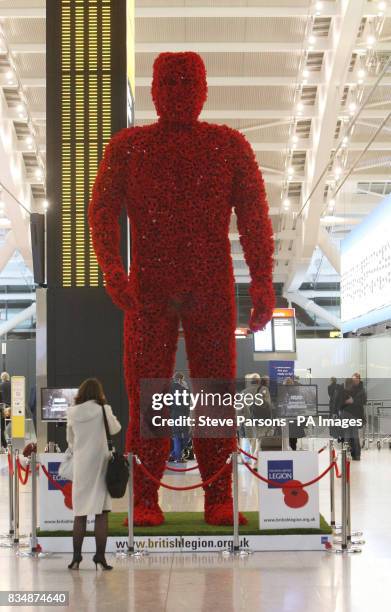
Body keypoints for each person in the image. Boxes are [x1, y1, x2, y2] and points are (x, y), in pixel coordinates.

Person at [66, 378, 121, 571]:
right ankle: (100, 557)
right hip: (101, 464)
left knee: (79, 514)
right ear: (99, 393)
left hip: (81, 465)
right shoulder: (103, 409)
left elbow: (70, 441)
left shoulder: (72, 412)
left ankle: (76, 558)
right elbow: (115, 429)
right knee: (102, 513)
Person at [169, 372, 190, 463]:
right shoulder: (184, 388)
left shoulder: (170, 388)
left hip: (174, 415)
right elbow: (188, 402)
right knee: (185, 436)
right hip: (183, 415)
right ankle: (177, 456)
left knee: (177, 435)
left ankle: (174, 455)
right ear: (181, 379)